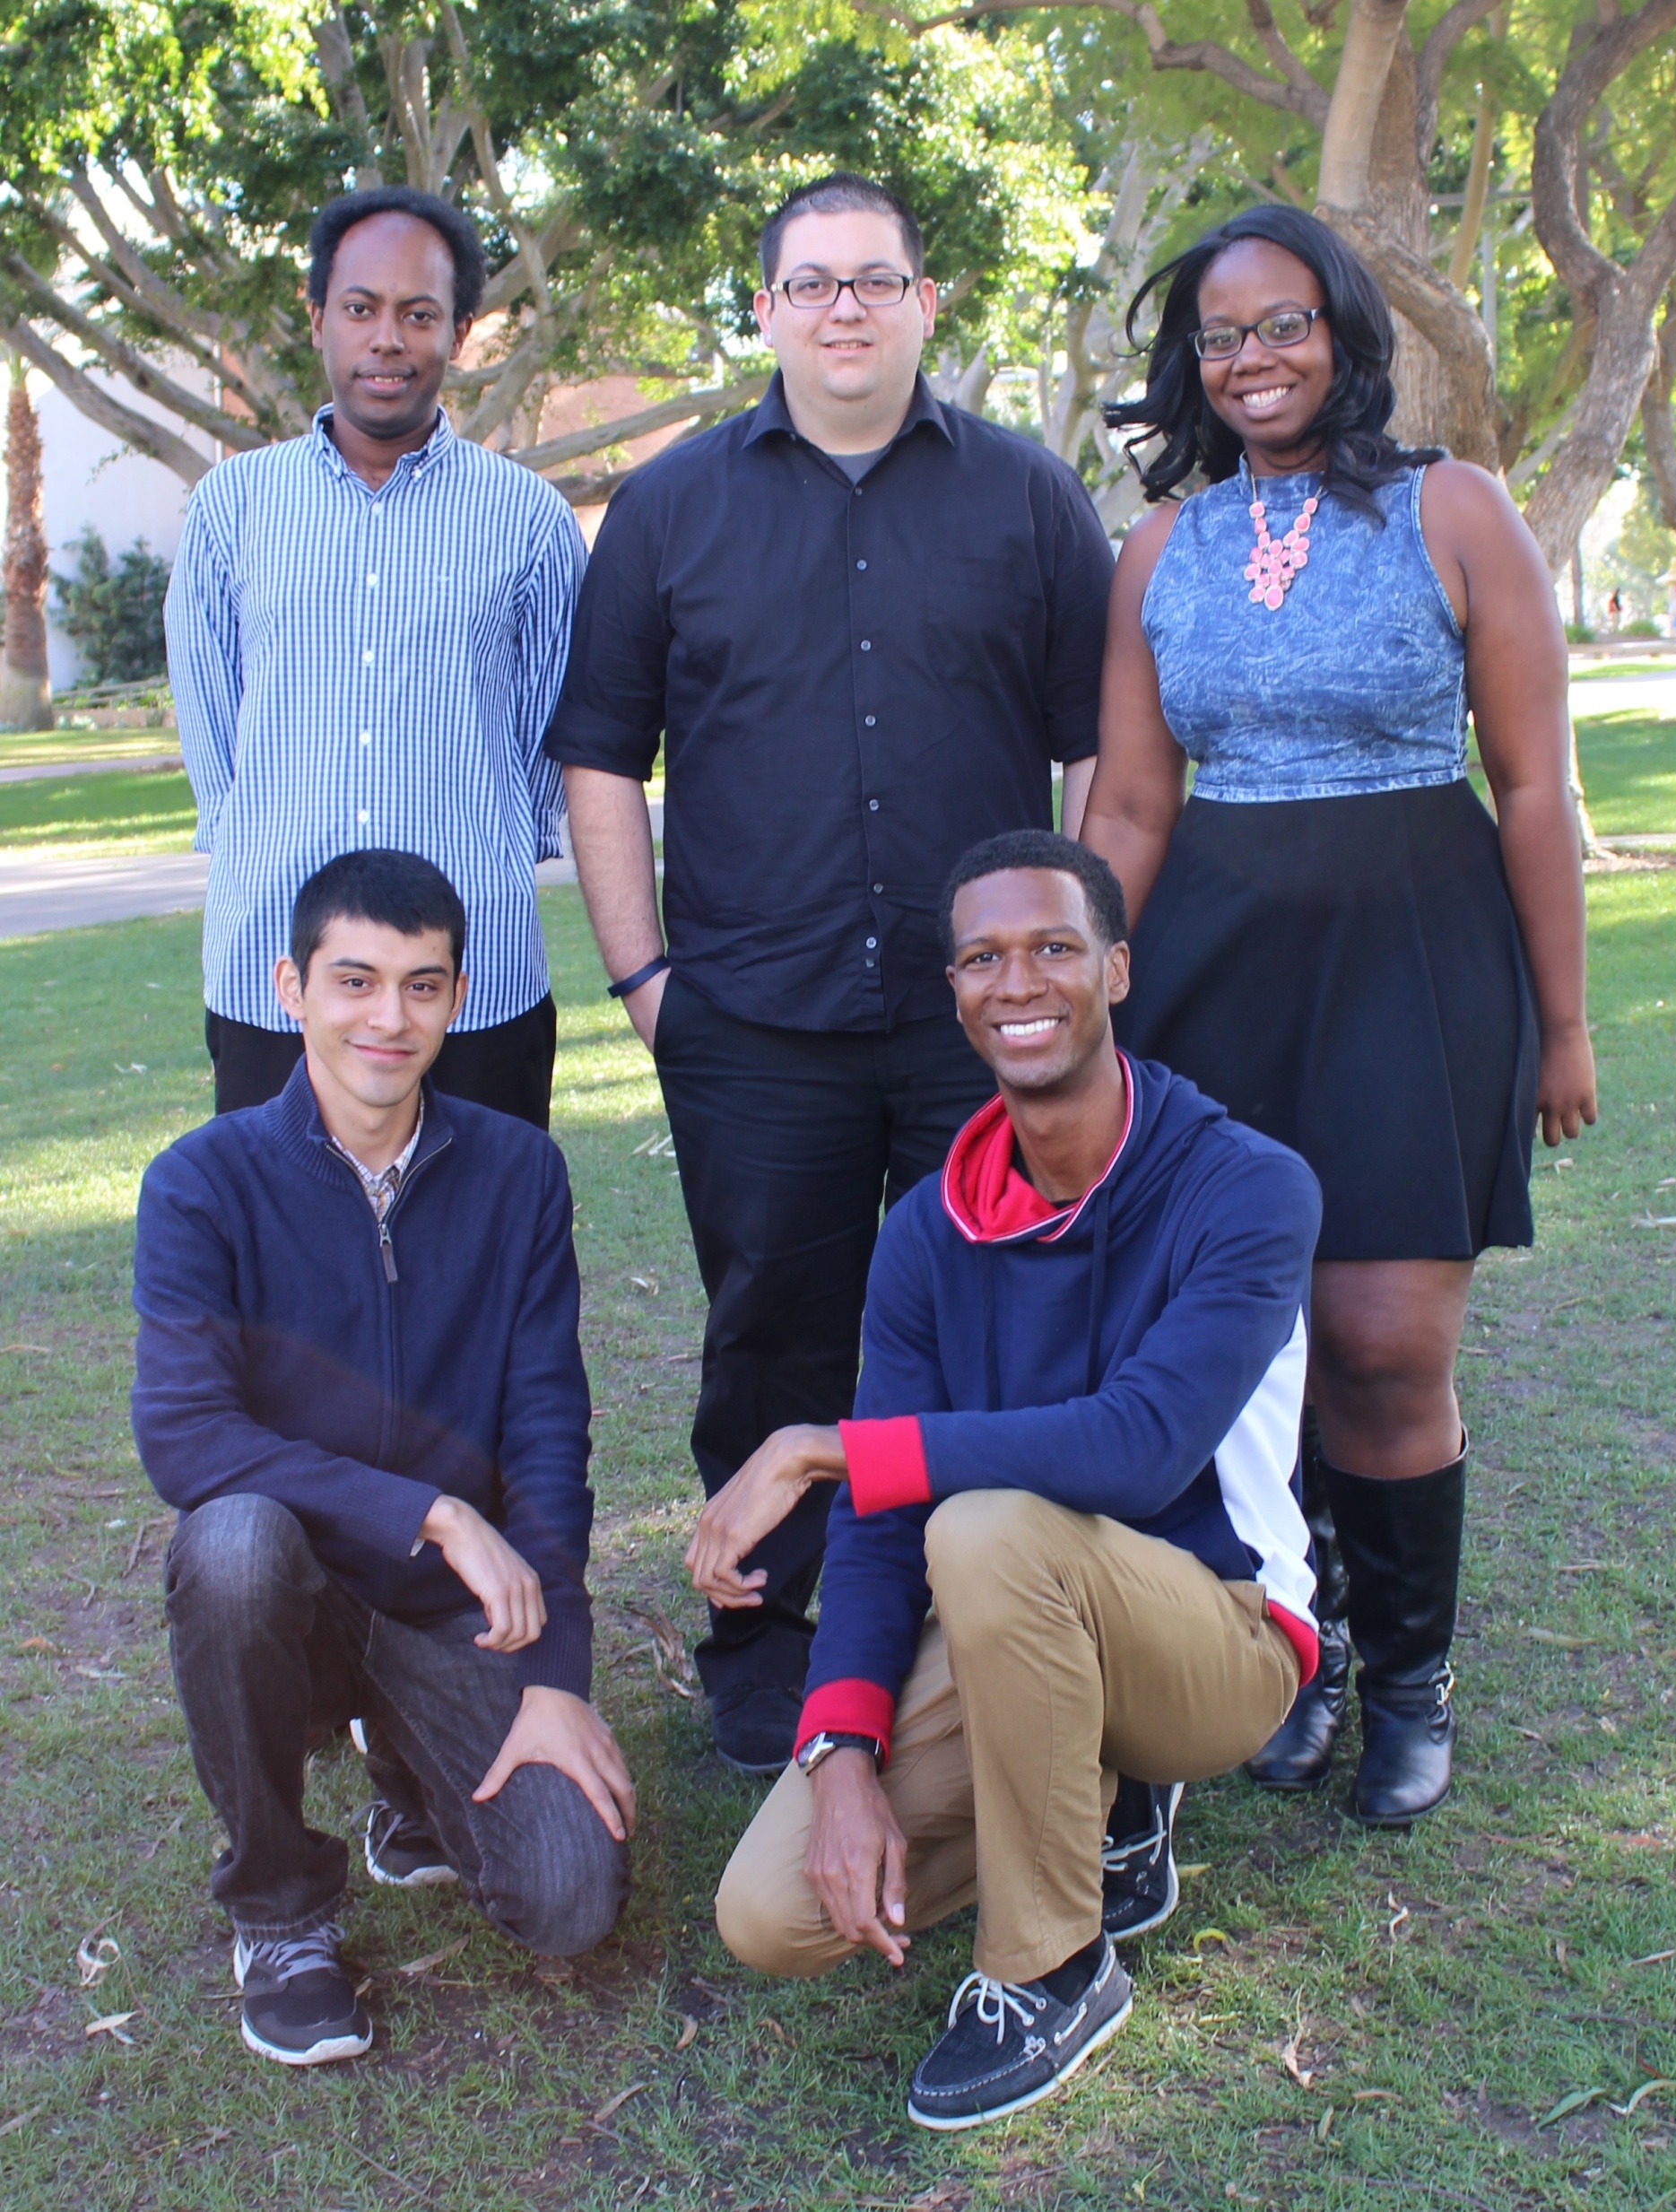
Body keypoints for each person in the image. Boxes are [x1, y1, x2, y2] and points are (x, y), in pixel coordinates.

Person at [546, 174, 1117, 1772]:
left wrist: (1071, 980)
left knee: (1005, 1329)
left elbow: (1099, 747)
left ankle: (982, 1616)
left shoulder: (1023, 497)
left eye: (876, 280)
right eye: (812, 284)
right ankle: (762, 1642)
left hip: (984, 1028)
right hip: (751, 1018)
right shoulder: (670, 508)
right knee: (775, 1331)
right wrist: (646, 978)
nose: (846, 308)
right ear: (767, 313)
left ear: (929, 302)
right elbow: (599, 754)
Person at [1081, 205, 1597, 1826]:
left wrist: (1564, 1025)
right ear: (1191, 361)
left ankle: (1415, 1684)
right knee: (1260, 1344)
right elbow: (1132, 816)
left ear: (1345, 333)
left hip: (1417, 960)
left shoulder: (1458, 511)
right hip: (1215, 973)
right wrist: (1087, 1005)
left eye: (1284, 324)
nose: (1254, 359)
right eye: (1223, 336)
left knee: (1384, 1341)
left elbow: (1530, 787)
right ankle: (1298, 1657)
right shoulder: (1158, 552)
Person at [691, 832, 1323, 2131]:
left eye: (1053, 946)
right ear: (955, 989)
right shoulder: (928, 1227)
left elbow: (1140, 1443)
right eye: (983, 956)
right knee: (769, 1914)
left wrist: (827, 1445)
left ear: (1117, 970)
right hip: (1028, 1612)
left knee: (983, 1528)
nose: (1016, 980)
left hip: (1222, 1631)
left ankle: (1052, 1966)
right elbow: (878, 1530)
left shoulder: (1249, 1187)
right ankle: (1093, 1785)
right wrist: (844, 1748)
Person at [132, 850, 633, 2067]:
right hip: (295, 1587)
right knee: (235, 1538)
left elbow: (547, 1435)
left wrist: (561, 1671)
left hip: (449, 1615)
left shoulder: (519, 1174)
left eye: (421, 985)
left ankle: (409, 1765)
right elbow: (187, 1434)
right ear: (288, 986)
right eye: (353, 979)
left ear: (457, 1000)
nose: (387, 1018)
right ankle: (281, 1912)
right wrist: (434, 1513)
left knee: (569, 1898)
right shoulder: (202, 1183)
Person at [165, 187, 583, 1128]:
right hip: (275, 980)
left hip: (478, 982)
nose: (386, 338)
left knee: (484, 1258)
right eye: (360, 309)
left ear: (460, 331)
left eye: (418, 313)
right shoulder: (230, 511)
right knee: (286, 1262)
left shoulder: (529, 522)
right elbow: (218, 750)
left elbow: (546, 750)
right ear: (319, 319)